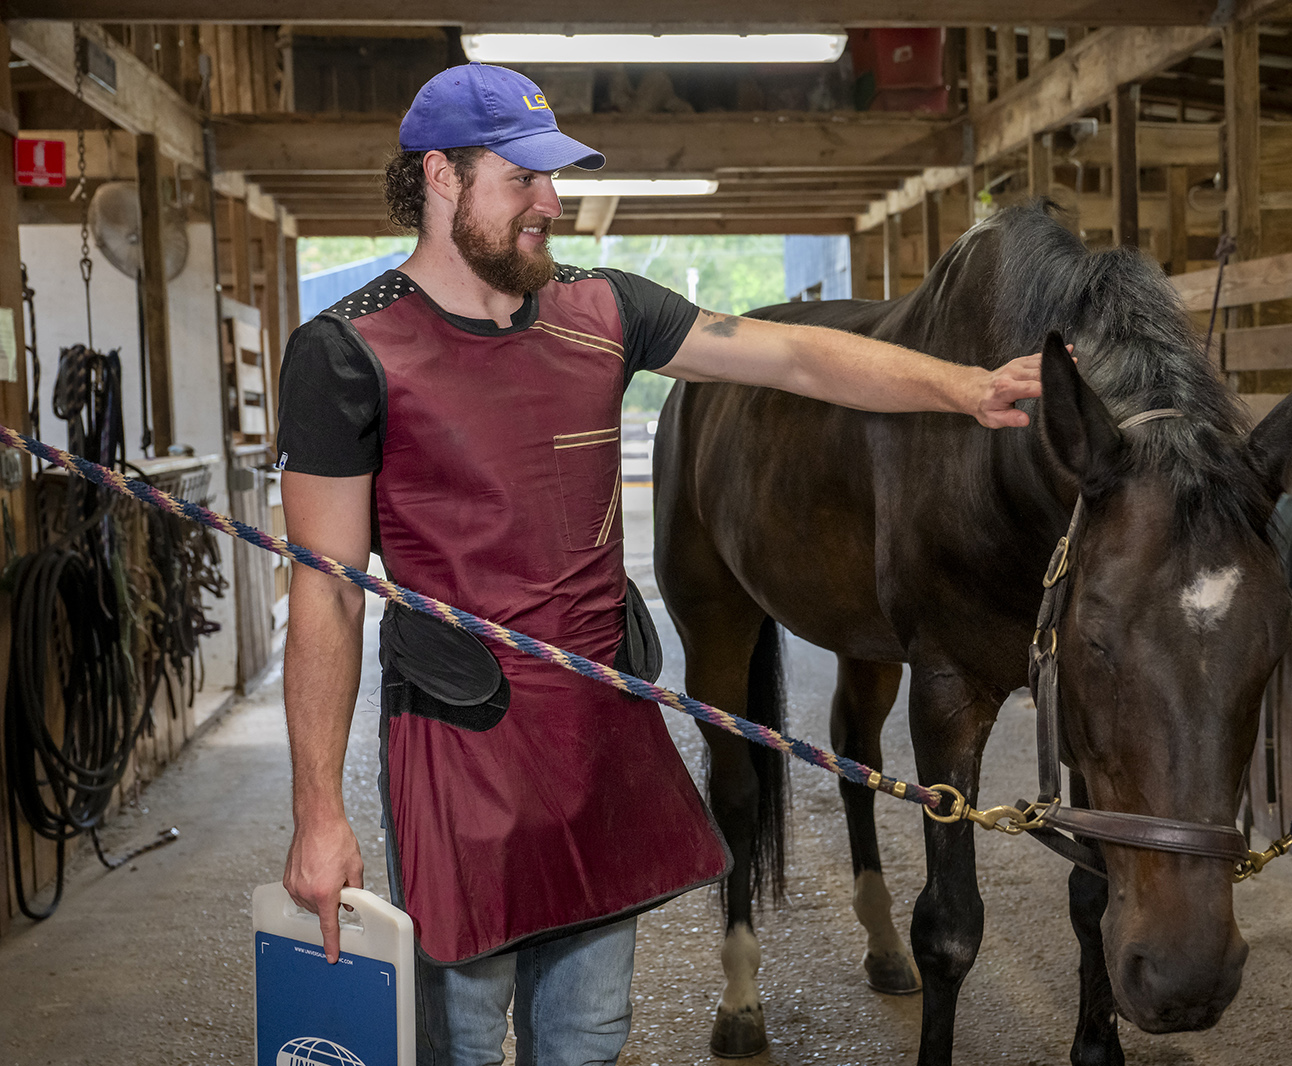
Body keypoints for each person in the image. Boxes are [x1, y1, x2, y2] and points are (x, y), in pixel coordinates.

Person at [276, 61, 1042, 1066]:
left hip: (601, 729)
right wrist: (319, 813)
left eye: (556, 179)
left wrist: (965, 387)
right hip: (459, 746)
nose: (554, 203)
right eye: (525, 180)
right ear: (440, 178)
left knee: (590, 1042)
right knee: (459, 1040)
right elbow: (325, 599)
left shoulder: (604, 310)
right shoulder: (346, 352)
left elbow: (797, 356)